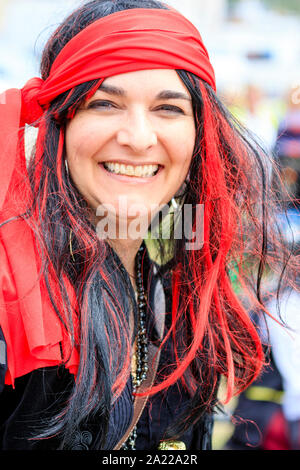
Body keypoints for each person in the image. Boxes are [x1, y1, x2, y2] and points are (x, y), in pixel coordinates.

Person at [0, 0, 297, 451]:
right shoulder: (11, 294)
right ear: (58, 119)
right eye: (104, 103)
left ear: (200, 134)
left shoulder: (174, 280)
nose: (138, 138)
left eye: (168, 108)